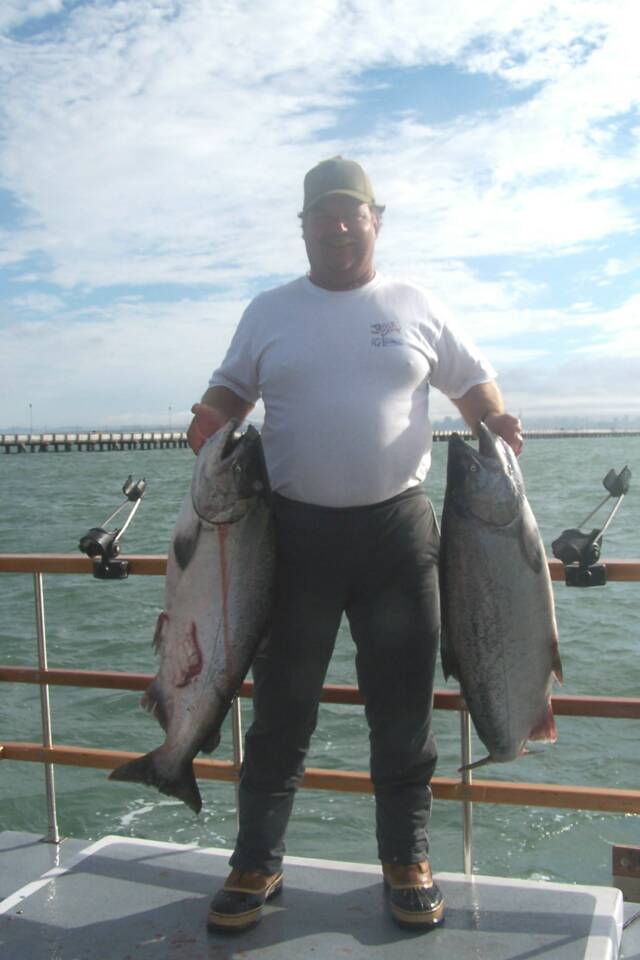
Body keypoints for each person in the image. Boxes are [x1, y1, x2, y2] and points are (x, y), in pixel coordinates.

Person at [187, 157, 523, 934]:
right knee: (280, 709)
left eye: (351, 213)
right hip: (291, 536)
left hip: (397, 536)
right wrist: (207, 417)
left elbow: (475, 390)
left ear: (378, 218)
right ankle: (256, 862)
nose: (337, 227)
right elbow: (228, 393)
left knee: (404, 710)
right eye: (322, 216)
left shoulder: (416, 304)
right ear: (302, 227)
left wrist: (495, 423)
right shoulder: (269, 311)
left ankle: (407, 860)